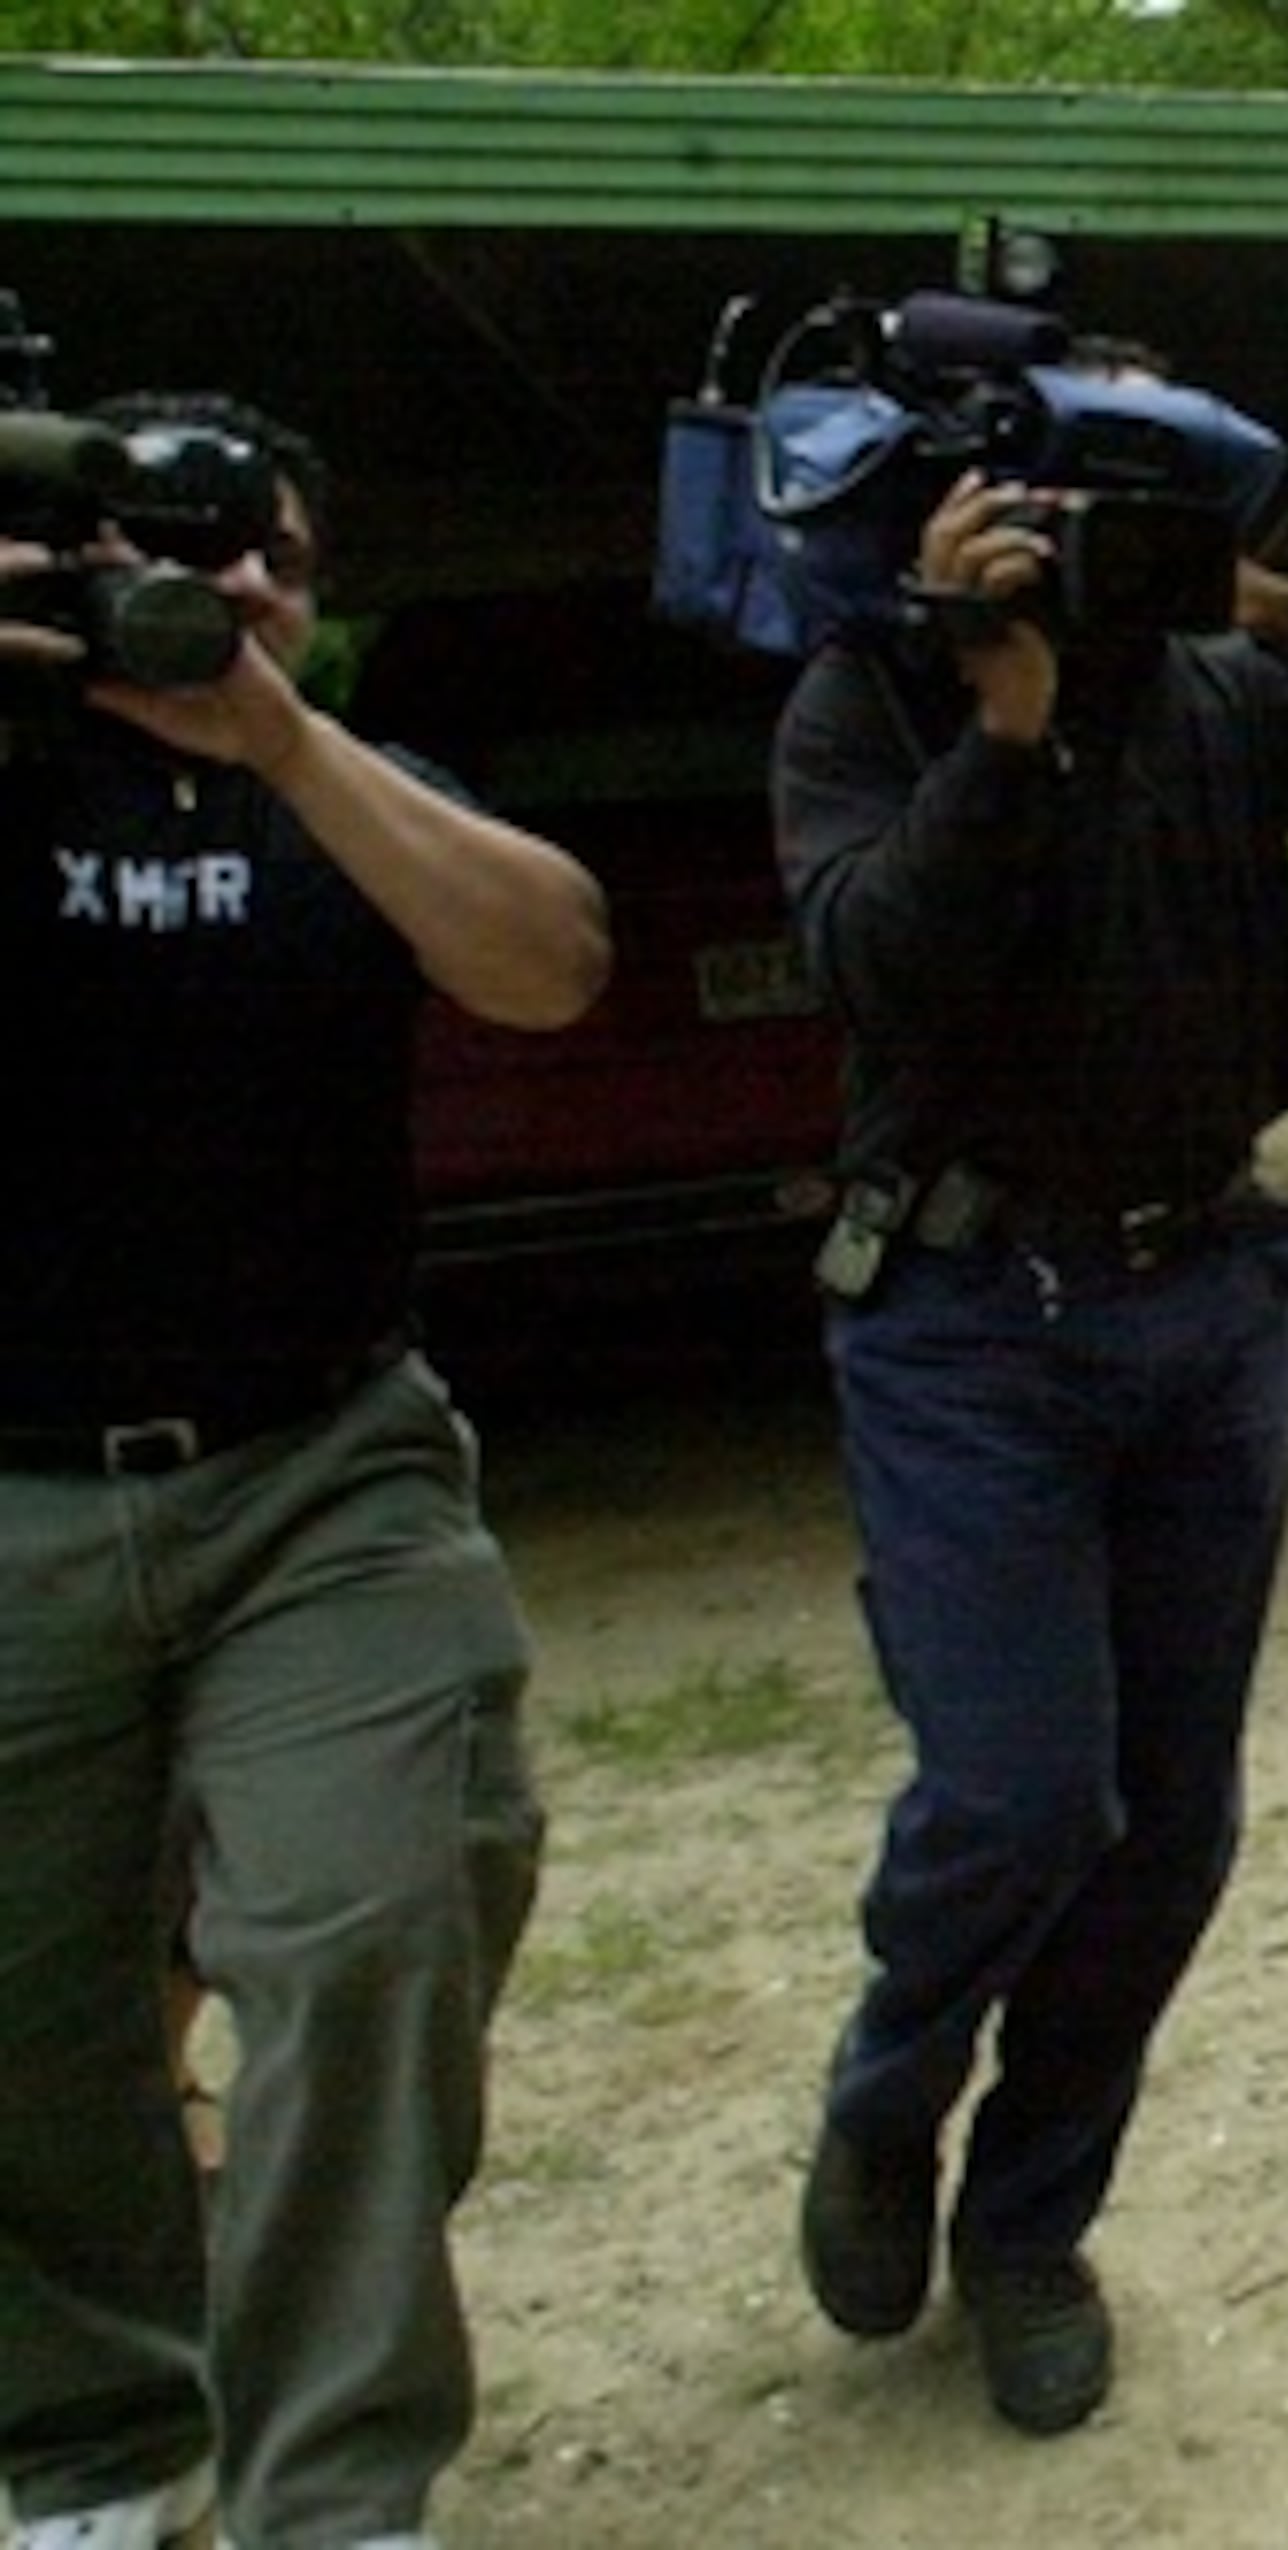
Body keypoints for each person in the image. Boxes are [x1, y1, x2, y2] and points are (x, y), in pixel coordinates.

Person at [769, 380, 1288, 2437]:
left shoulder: (1214, 687)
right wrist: (997, 714)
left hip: (1209, 1302)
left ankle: (1027, 2224)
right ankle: (887, 2102)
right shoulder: (868, 702)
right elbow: (879, 970)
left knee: (1170, 1828)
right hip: (968, 1312)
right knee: (1018, 1794)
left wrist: (1277, 615)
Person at [1, 393, 614, 2550]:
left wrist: (276, 743)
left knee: (375, 1927)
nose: (228, 580)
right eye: (172, 545)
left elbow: (549, 962)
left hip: (315, 1468)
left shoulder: (341, 799)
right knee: (27, 2013)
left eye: (268, 551)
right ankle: (79, 2435)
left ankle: (334, 2489)